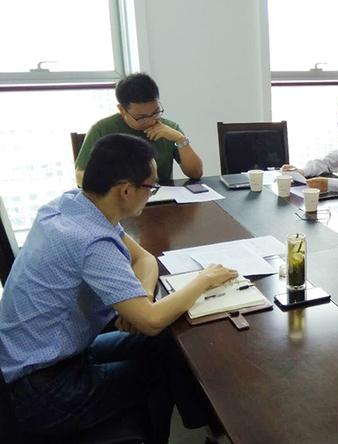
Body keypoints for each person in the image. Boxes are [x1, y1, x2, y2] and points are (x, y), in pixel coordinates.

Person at [1, 134, 236, 443]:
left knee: (164, 343)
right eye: (150, 187)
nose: (151, 193)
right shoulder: (91, 241)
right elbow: (150, 321)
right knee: (162, 368)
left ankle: (211, 428)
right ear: (125, 190)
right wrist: (204, 278)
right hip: (42, 391)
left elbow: (145, 259)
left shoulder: (72, 205)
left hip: (37, 360)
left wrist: (140, 300)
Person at [75, 72, 203, 186]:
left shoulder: (169, 129)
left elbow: (196, 174)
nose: (151, 121)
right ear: (122, 110)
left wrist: (180, 139)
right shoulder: (102, 130)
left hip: (162, 198)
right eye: (141, 117)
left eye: (156, 112)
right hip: (119, 200)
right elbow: (80, 176)